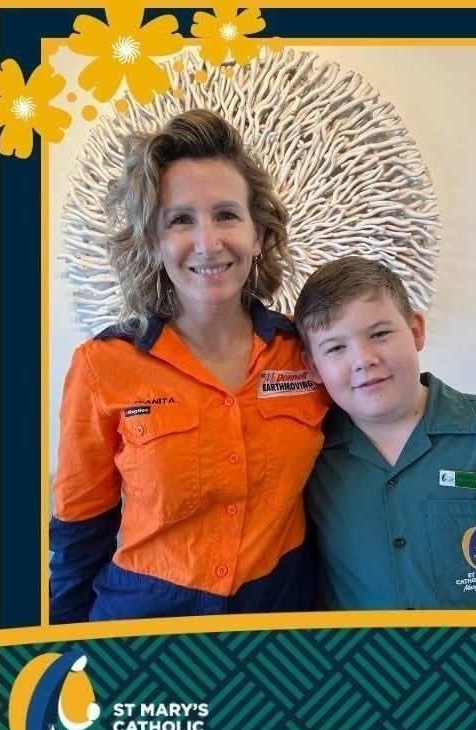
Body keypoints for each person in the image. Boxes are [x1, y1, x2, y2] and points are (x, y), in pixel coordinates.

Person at [50, 109, 328, 622]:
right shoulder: (101, 366)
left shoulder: (308, 350)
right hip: (145, 621)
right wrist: (57, 654)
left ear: (259, 234)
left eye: (226, 215)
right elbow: (78, 531)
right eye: (180, 220)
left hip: (281, 619)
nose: (208, 242)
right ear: (154, 243)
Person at [294, 256, 476, 609]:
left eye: (380, 334)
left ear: (416, 332)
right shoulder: (305, 458)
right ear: (313, 367)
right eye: (336, 348)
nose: (363, 359)